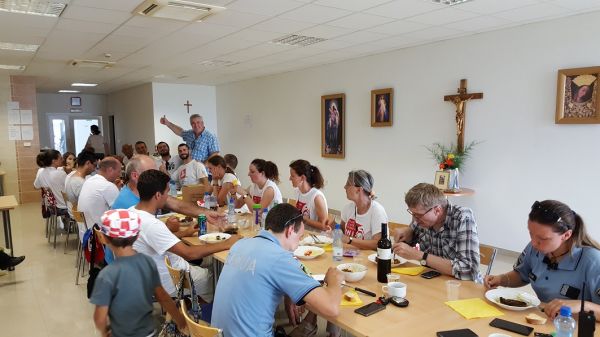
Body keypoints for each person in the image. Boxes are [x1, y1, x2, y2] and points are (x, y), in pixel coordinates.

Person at [212, 203, 343, 337]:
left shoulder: (240, 244)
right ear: (290, 230)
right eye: (300, 236)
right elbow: (331, 308)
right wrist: (334, 279)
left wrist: (289, 293)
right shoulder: (279, 258)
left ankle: (307, 326)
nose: (299, 242)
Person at [132, 169, 241, 300]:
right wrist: (228, 242)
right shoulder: (152, 224)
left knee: (211, 263)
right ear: (157, 195)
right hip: (174, 280)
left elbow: (154, 242)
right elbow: (189, 253)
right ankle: (209, 310)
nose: (169, 197)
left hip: (149, 278)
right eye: (167, 192)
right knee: (223, 279)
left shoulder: (131, 213)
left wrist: (185, 232)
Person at [484, 200, 600, 321]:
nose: (533, 243)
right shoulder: (536, 248)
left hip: (576, 328)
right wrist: (501, 279)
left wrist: (583, 306)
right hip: (545, 320)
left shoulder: (593, 262)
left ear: (566, 235)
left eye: (542, 238)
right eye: (531, 234)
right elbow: (522, 274)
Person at [90, 209, 186, 337]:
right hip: (149, 332)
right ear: (136, 235)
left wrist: (104, 332)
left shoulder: (107, 275)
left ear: (105, 238)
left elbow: (100, 318)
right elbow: (162, 296)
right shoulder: (148, 262)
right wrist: (180, 320)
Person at [393, 183, 481, 281]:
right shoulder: (422, 219)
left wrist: (419, 255)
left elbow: (470, 271)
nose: (414, 219)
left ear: (437, 210)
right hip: (434, 280)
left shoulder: (462, 217)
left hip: (464, 286)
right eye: (412, 214)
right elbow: (411, 240)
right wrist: (407, 235)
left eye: (418, 215)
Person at [112, 155, 222, 224]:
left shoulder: (146, 191)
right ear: (135, 176)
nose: (157, 175)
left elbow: (177, 204)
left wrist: (207, 213)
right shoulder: (128, 203)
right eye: (151, 172)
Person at [339, 170, 387, 250]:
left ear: (358, 190)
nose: (344, 187)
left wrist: (350, 240)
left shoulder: (377, 211)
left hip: (368, 258)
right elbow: (342, 231)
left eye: (348, 184)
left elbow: (378, 244)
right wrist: (333, 226)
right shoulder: (347, 208)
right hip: (350, 255)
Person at [77, 157, 121, 228]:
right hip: (99, 235)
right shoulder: (108, 186)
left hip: (85, 233)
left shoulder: (89, 181)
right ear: (110, 170)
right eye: (119, 171)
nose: (119, 175)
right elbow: (120, 213)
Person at [289, 159, 329, 232]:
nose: (290, 178)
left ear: (302, 178)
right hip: (302, 232)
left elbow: (324, 226)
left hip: (315, 237)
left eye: (292, 176)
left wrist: (304, 219)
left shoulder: (317, 197)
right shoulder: (297, 191)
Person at [34, 149, 68, 215]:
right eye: (60, 158)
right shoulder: (60, 174)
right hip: (64, 208)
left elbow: (36, 186)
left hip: (51, 207)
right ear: (54, 161)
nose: (63, 160)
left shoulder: (41, 172)